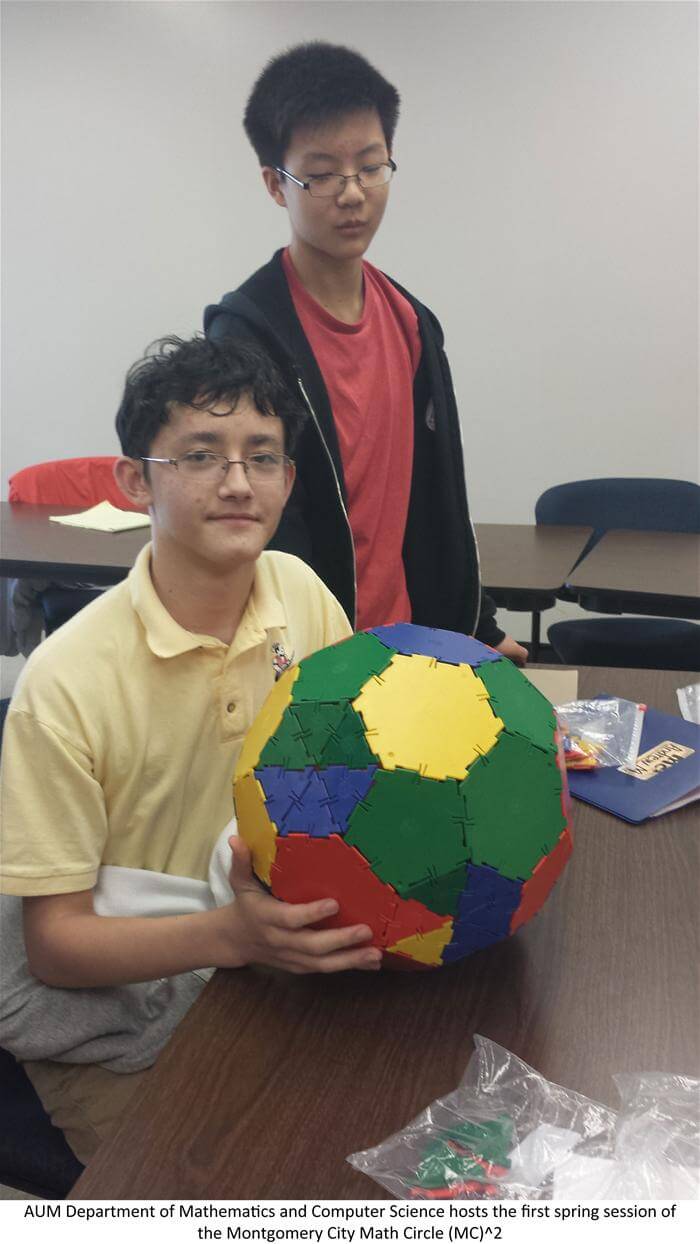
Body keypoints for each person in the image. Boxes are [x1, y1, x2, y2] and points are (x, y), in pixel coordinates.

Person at [0, 335, 380, 1164]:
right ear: (137, 479)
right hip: (118, 1010)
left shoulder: (300, 594)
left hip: (260, 963)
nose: (238, 483)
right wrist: (236, 937)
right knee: (216, 1182)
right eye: (200, 456)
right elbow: (54, 944)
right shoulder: (67, 683)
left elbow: (353, 766)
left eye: (263, 457)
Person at [204, 41, 527, 665]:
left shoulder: (412, 324)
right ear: (276, 184)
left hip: (413, 652)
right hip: (307, 660)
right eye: (321, 174)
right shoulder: (247, 340)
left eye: (371, 166)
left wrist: (478, 626)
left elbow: (438, 498)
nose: (352, 193)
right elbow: (259, 524)